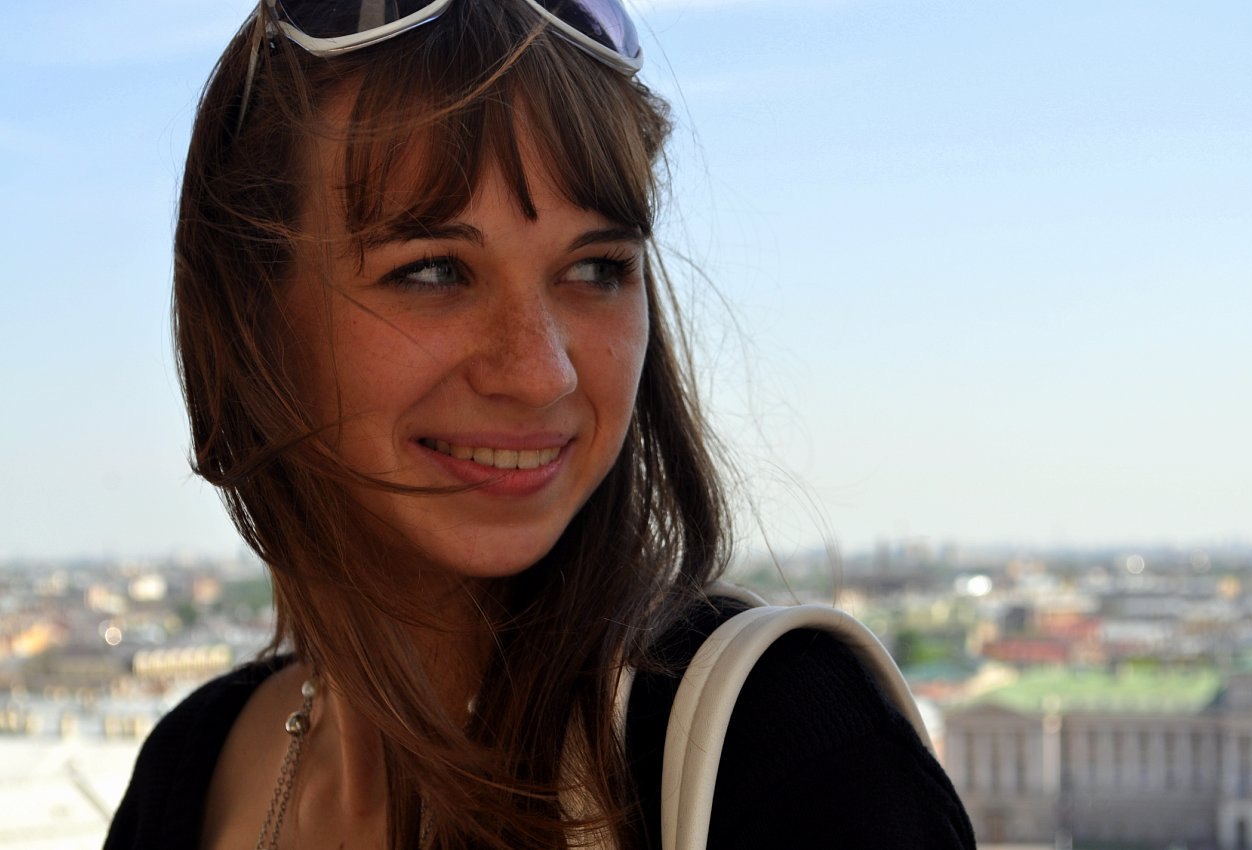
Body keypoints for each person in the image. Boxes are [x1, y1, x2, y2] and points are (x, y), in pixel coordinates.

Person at [105, 1, 976, 848]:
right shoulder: (189, 770)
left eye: (596, 268)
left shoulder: (792, 760)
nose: (540, 373)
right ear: (251, 318)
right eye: (435, 270)